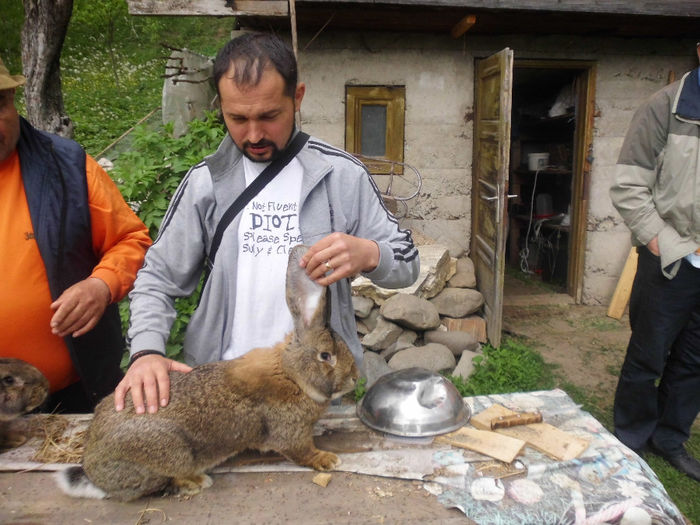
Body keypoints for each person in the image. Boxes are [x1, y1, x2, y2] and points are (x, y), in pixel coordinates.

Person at [115, 32, 419, 414]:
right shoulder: (206, 182)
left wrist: (370, 253)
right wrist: (145, 352)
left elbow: (408, 264)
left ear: (298, 97)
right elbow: (157, 279)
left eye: (269, 116)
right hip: (223, 394)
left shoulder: (342, 176)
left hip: (319, 397)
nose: (254, 134)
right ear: (220, 105)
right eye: (237, 118)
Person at [0, 57, 152, 413]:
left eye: (0, 104)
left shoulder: (66, 166)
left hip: (72, 396)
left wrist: (101, 285)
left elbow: (132, 241)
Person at [609, 42, 700, 482]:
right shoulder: (666, 107)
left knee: (695, 360)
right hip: (673, 258)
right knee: (649, 357)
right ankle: (630, 440)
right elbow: (629, 186)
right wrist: (660, 242)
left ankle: (669, 439)